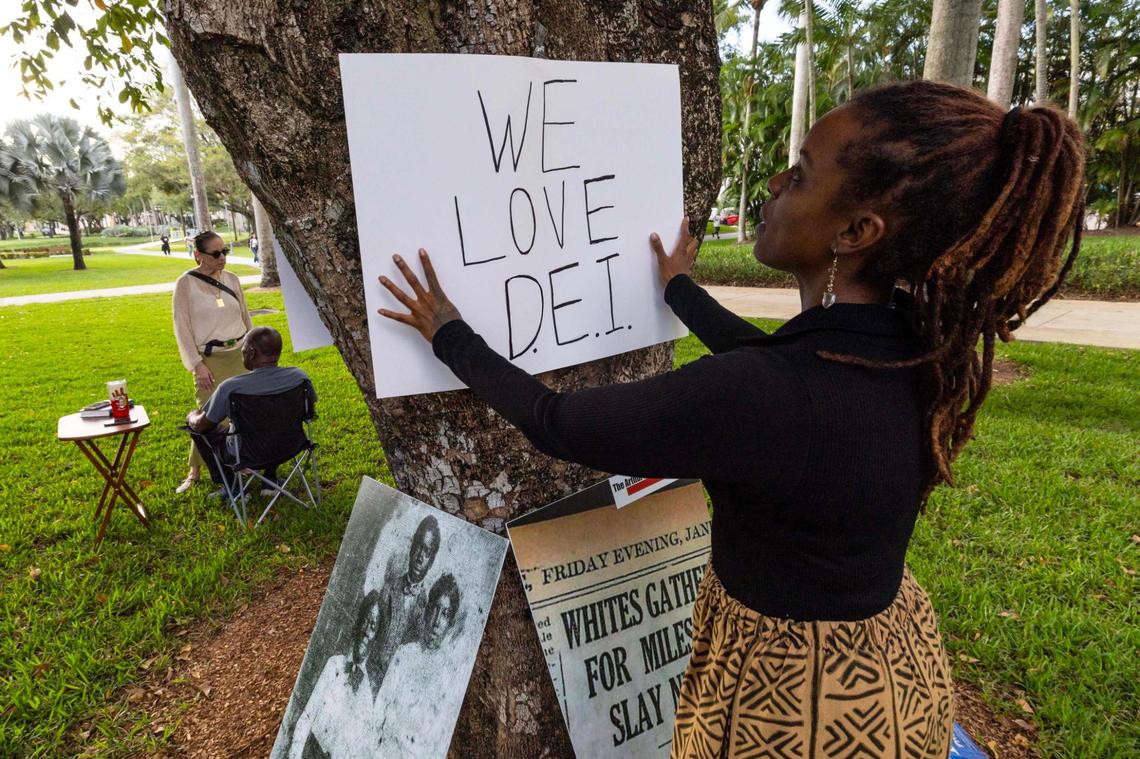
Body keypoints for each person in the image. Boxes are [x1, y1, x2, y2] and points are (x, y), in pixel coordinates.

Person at [377, 80, 1086, 758]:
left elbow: (556, 421)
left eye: (801, 174)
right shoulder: (917, 349)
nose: (775, 184)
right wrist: (681, 290)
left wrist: (449, 332)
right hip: (892, 673)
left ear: (857, 229)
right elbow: (772, 358)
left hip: (789, 705)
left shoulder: (768, 395)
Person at [185, 326, 315, 495]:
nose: (242, 353)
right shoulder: (300, 377)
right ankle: (270, 481)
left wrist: (191, 417)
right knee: (272, 423)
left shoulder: (232, 388)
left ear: (252, 353)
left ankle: (233, 488)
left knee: (197, 428)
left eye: (243, 348)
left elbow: (203, 425)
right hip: (291, 446)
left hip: (245, 454)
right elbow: (309, 412)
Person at [172, 231, 254, 494]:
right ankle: (194, 470)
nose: (222, 258)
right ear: (199, 255)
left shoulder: (232, 279)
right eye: (216, 253)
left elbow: (245, 314)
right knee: (208, 415)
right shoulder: (185, 284)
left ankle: (240, 462)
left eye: (225, 251)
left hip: (240, 353)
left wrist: (253, 348)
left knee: (243, 412)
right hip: (210, 359)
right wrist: (197, 364)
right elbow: (181, 328)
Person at [288, 590, 386, 759]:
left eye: (373, 626)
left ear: (376, 637)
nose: (367, 631)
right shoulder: (334, 665)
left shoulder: (366, 696)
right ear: (359, 621)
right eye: (366, 620)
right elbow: (306, 718)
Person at [374, 574, 462, 755]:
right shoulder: (405, 654)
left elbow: (440, 740)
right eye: (435, 609)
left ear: (450, 624)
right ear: (427, 611)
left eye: (445, 615)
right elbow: (380, 707)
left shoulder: (449, 675)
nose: (437, 621)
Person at [372, 515, 441, 681]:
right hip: (373, 676)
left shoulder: (430, 607)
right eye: (419, 547)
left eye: (427, 552)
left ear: (431, 561)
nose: (420, 557)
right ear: (412, 548)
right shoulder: (388, 588)